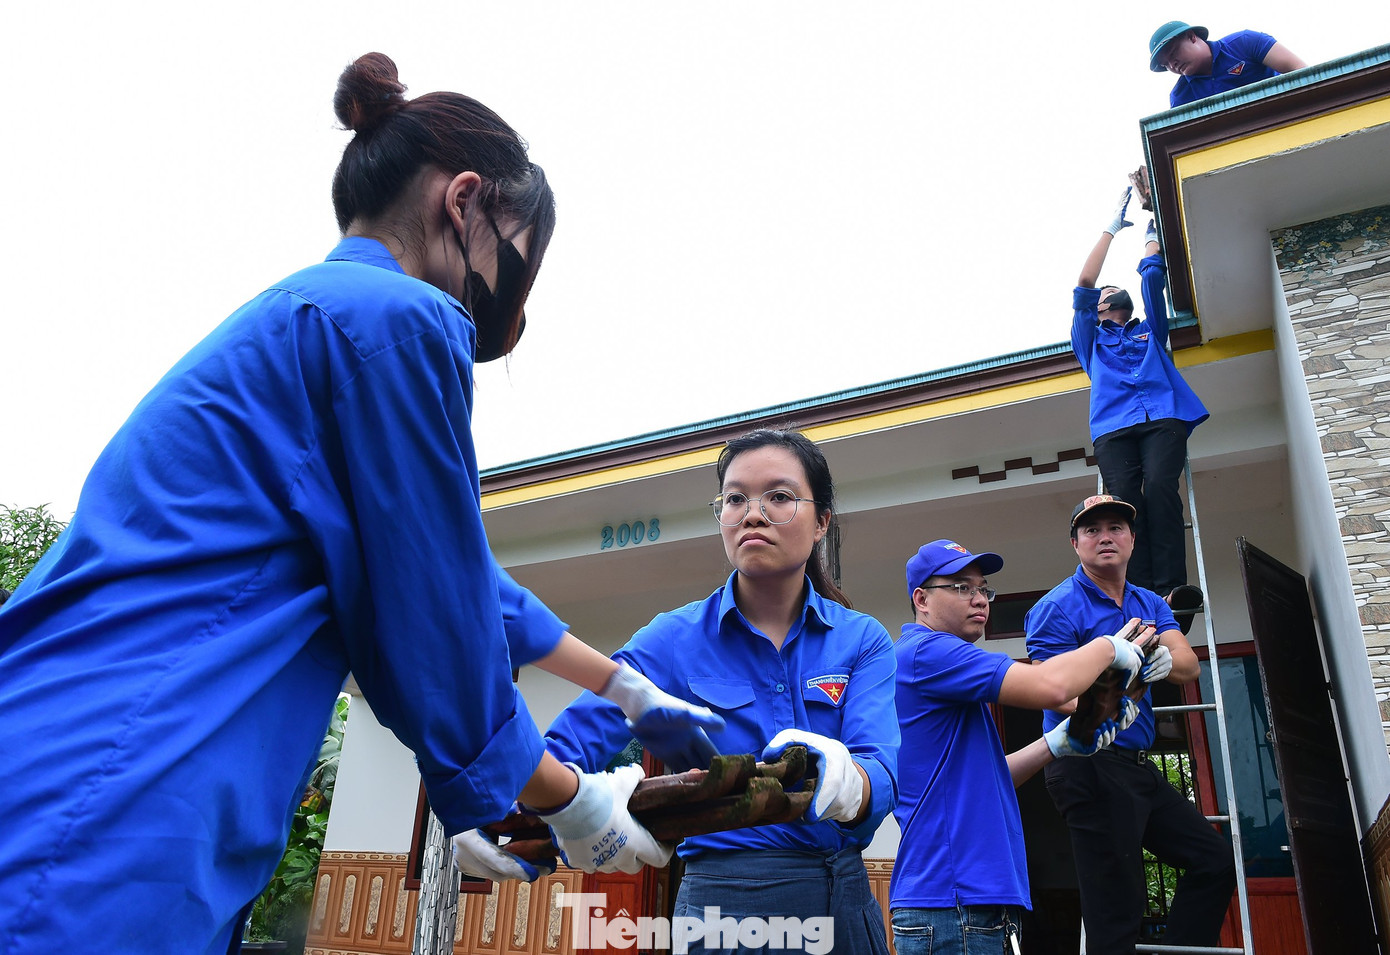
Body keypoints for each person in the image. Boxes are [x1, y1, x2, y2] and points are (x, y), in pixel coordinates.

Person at [0, 53, 718, 954]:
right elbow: (434, 614)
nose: (505, 305)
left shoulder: (303, 319)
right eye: (519, 262)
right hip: (119, 787)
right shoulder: (401, 320)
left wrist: (617, 681)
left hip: (61, 747)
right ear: (463, 202)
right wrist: (570, 797)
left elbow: (453, 575)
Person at [543, 428, 900, 955]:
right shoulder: (670, 640)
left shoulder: (862, 638)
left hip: (844, 903)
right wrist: (570, 810)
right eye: (735, 499)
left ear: (822, 520)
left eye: (779, 497)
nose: (752, 514)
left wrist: (851, 782)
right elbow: (566, 746)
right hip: (724, 908)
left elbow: (883, 768)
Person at [890, 539, 1162, 955]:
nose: (979, 599)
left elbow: (990, 779)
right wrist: (1111, 646)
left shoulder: (939, 668)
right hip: (954, 900)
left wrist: (1057, 744)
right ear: (921, 599)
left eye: (983, 589)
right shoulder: (929, 652)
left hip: (967, 902)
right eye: (962, 587)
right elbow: (1050, 685)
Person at [1026, 495, 1236, 954]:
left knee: (1215, 859)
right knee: (1117, 909)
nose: (1106, 537)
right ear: (1075, 544)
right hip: (1087, 760)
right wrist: (1114, 698)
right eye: (1093, 530)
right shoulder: (1056, 607)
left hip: (1136, 766)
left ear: (1133, 540)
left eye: (1116, 528)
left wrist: (1161, 658)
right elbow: (1054, 691)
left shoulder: (1147, 601)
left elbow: (1187, 664)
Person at [1073, 186, 1207, 629]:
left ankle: (1171, 588)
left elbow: (1152, 275)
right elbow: (1085, 284)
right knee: (1126, 504)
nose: (1117, 291)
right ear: (1102, 307)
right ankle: (1143, 592)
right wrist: (1112, 230)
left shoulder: (1149, 330)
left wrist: (1153, 224)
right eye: (1113, 291)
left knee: (1162, 492)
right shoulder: (1090, 340)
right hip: (1113, 426)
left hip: (1162, 418)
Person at [1150, 20, 1307, 108]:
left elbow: (1301, 71)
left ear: (1192, 37)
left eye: (1173, 53)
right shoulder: (1181, 96)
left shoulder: (1245, 43)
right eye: (1166, 64)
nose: (1172, 65)